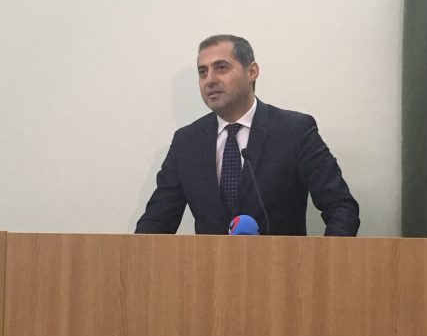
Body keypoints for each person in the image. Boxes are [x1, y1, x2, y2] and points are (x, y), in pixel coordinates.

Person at [135, 34, 360, 236]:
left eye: (221, 68)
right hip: (208, 268)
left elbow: (341, 207)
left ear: (252, 72)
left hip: (282, 267)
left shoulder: (295, 131)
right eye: (203, 72)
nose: (210, 79)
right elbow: (157, 220)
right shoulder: (187, 142)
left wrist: (324, 264)